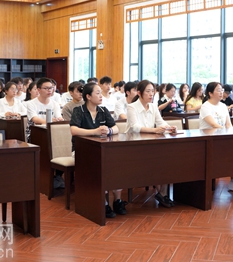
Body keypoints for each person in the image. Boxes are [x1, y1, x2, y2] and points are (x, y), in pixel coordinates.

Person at [69, 83, 122, 218]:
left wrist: (109, 131)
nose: (101, 96)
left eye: (100, 93)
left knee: (117, 166)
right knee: (99, 168)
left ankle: (118, 201)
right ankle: (103, 203)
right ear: (88, 96)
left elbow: (116, 128)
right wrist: (95, 131)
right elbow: (74, 130)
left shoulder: (103, 110)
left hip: (103, 149)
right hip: (82, 150)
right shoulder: (79, 110)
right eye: (97, 93)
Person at [126, 80, 177, 208]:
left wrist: (169, 127)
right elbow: (135, 127)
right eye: (148, 91)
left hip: (150, 144)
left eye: (152, 91)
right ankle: (162, 194)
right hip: (133, 146)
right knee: (156, 161)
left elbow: (160, 122)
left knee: (168, 160)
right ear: (139, 93)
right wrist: (154, 130)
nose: (151, 94)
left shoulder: (153, 106)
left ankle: (163, 193)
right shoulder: (132, 107)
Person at [199, 82, 233, 193]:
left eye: (222, 90)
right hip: (208, 141)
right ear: (210, 93)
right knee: (230, 151)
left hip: (222, 138)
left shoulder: (223, 106)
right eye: (218, 90)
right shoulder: (205, 107)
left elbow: (228, 124)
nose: (221, 92)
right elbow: (214, 125)